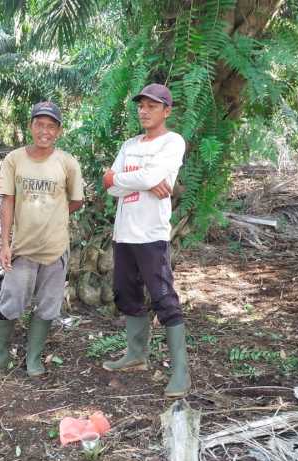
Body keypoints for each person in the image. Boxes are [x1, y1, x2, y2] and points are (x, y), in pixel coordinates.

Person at [0, 101, 84, 381]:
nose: (44, 131)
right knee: (11, 301)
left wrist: (52, 214)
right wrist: (5, 243)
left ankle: (33, 358)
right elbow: (7, 201)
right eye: (39, 124)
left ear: (58, 131)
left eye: (51, 126)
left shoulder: (67, 163)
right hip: (22, 249)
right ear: (31, 126)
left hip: (55, 248)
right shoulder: (14, 160)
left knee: (48, 305)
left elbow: (76, 200)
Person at [100, 83, 191, 398]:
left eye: (152, 106)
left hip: (151, 234)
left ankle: (181, 371)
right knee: (126, 293)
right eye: (141, 105)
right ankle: (136, 354)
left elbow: (137, 179)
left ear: (166, 110)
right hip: (123, 232)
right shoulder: (129, 144)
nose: (144, 111)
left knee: (163, 296)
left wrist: (128, 180)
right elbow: (109, 186)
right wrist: (141, 181)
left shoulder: (172, 142)